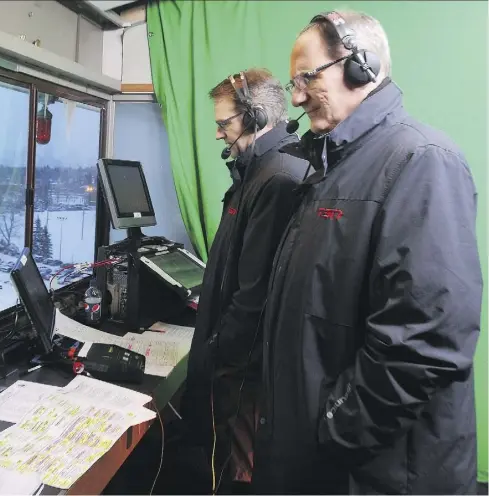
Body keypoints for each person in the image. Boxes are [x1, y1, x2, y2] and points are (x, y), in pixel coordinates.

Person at [253, 10, 482, 495]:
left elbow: (424, 343)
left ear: (362, 65)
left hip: (371, 474)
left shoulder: (422, 163)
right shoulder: (330, 167)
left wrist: (334, 430)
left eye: (305, 79)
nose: (295, 97)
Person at [175, 68, 307, 494]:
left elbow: (254, 296)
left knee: (235, 478)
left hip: (244, 375)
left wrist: (218, 353)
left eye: (223, 123)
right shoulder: (258, 172)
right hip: (234, 367)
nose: (218, 135)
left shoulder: (278, 179)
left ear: (254, 118)